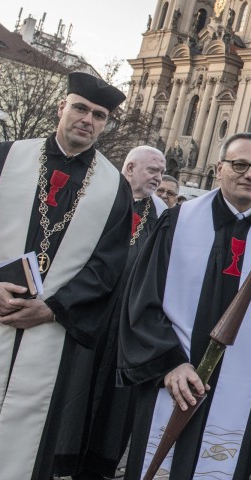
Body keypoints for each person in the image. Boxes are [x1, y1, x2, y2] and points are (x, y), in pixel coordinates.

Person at [0, 72, 131, 480]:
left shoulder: (113, 188)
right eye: (80, 108)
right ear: (62, 108)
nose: (87, 119)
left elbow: (107, 268)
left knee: (28, 436)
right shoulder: (5, 158)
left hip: (50, 332)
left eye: (99, 115)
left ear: (105, 124)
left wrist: (53, 309)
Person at [119, 133, 251, 480]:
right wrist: (169, 364)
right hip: (173, 372)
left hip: (241, 378)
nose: (250, 174)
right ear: (219, 169)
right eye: (239, 165)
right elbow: (141, 299)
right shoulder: (178, 221)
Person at [55, 146, 168, 479]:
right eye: (152, 171)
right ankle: (59, 456)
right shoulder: (98, 199)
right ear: (130, 167)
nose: (158, 178)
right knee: (74, 387)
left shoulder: (159, 215)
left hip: (126, 324)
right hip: (88, 314)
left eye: (161, 172)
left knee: (114, 400)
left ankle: (97, 463)